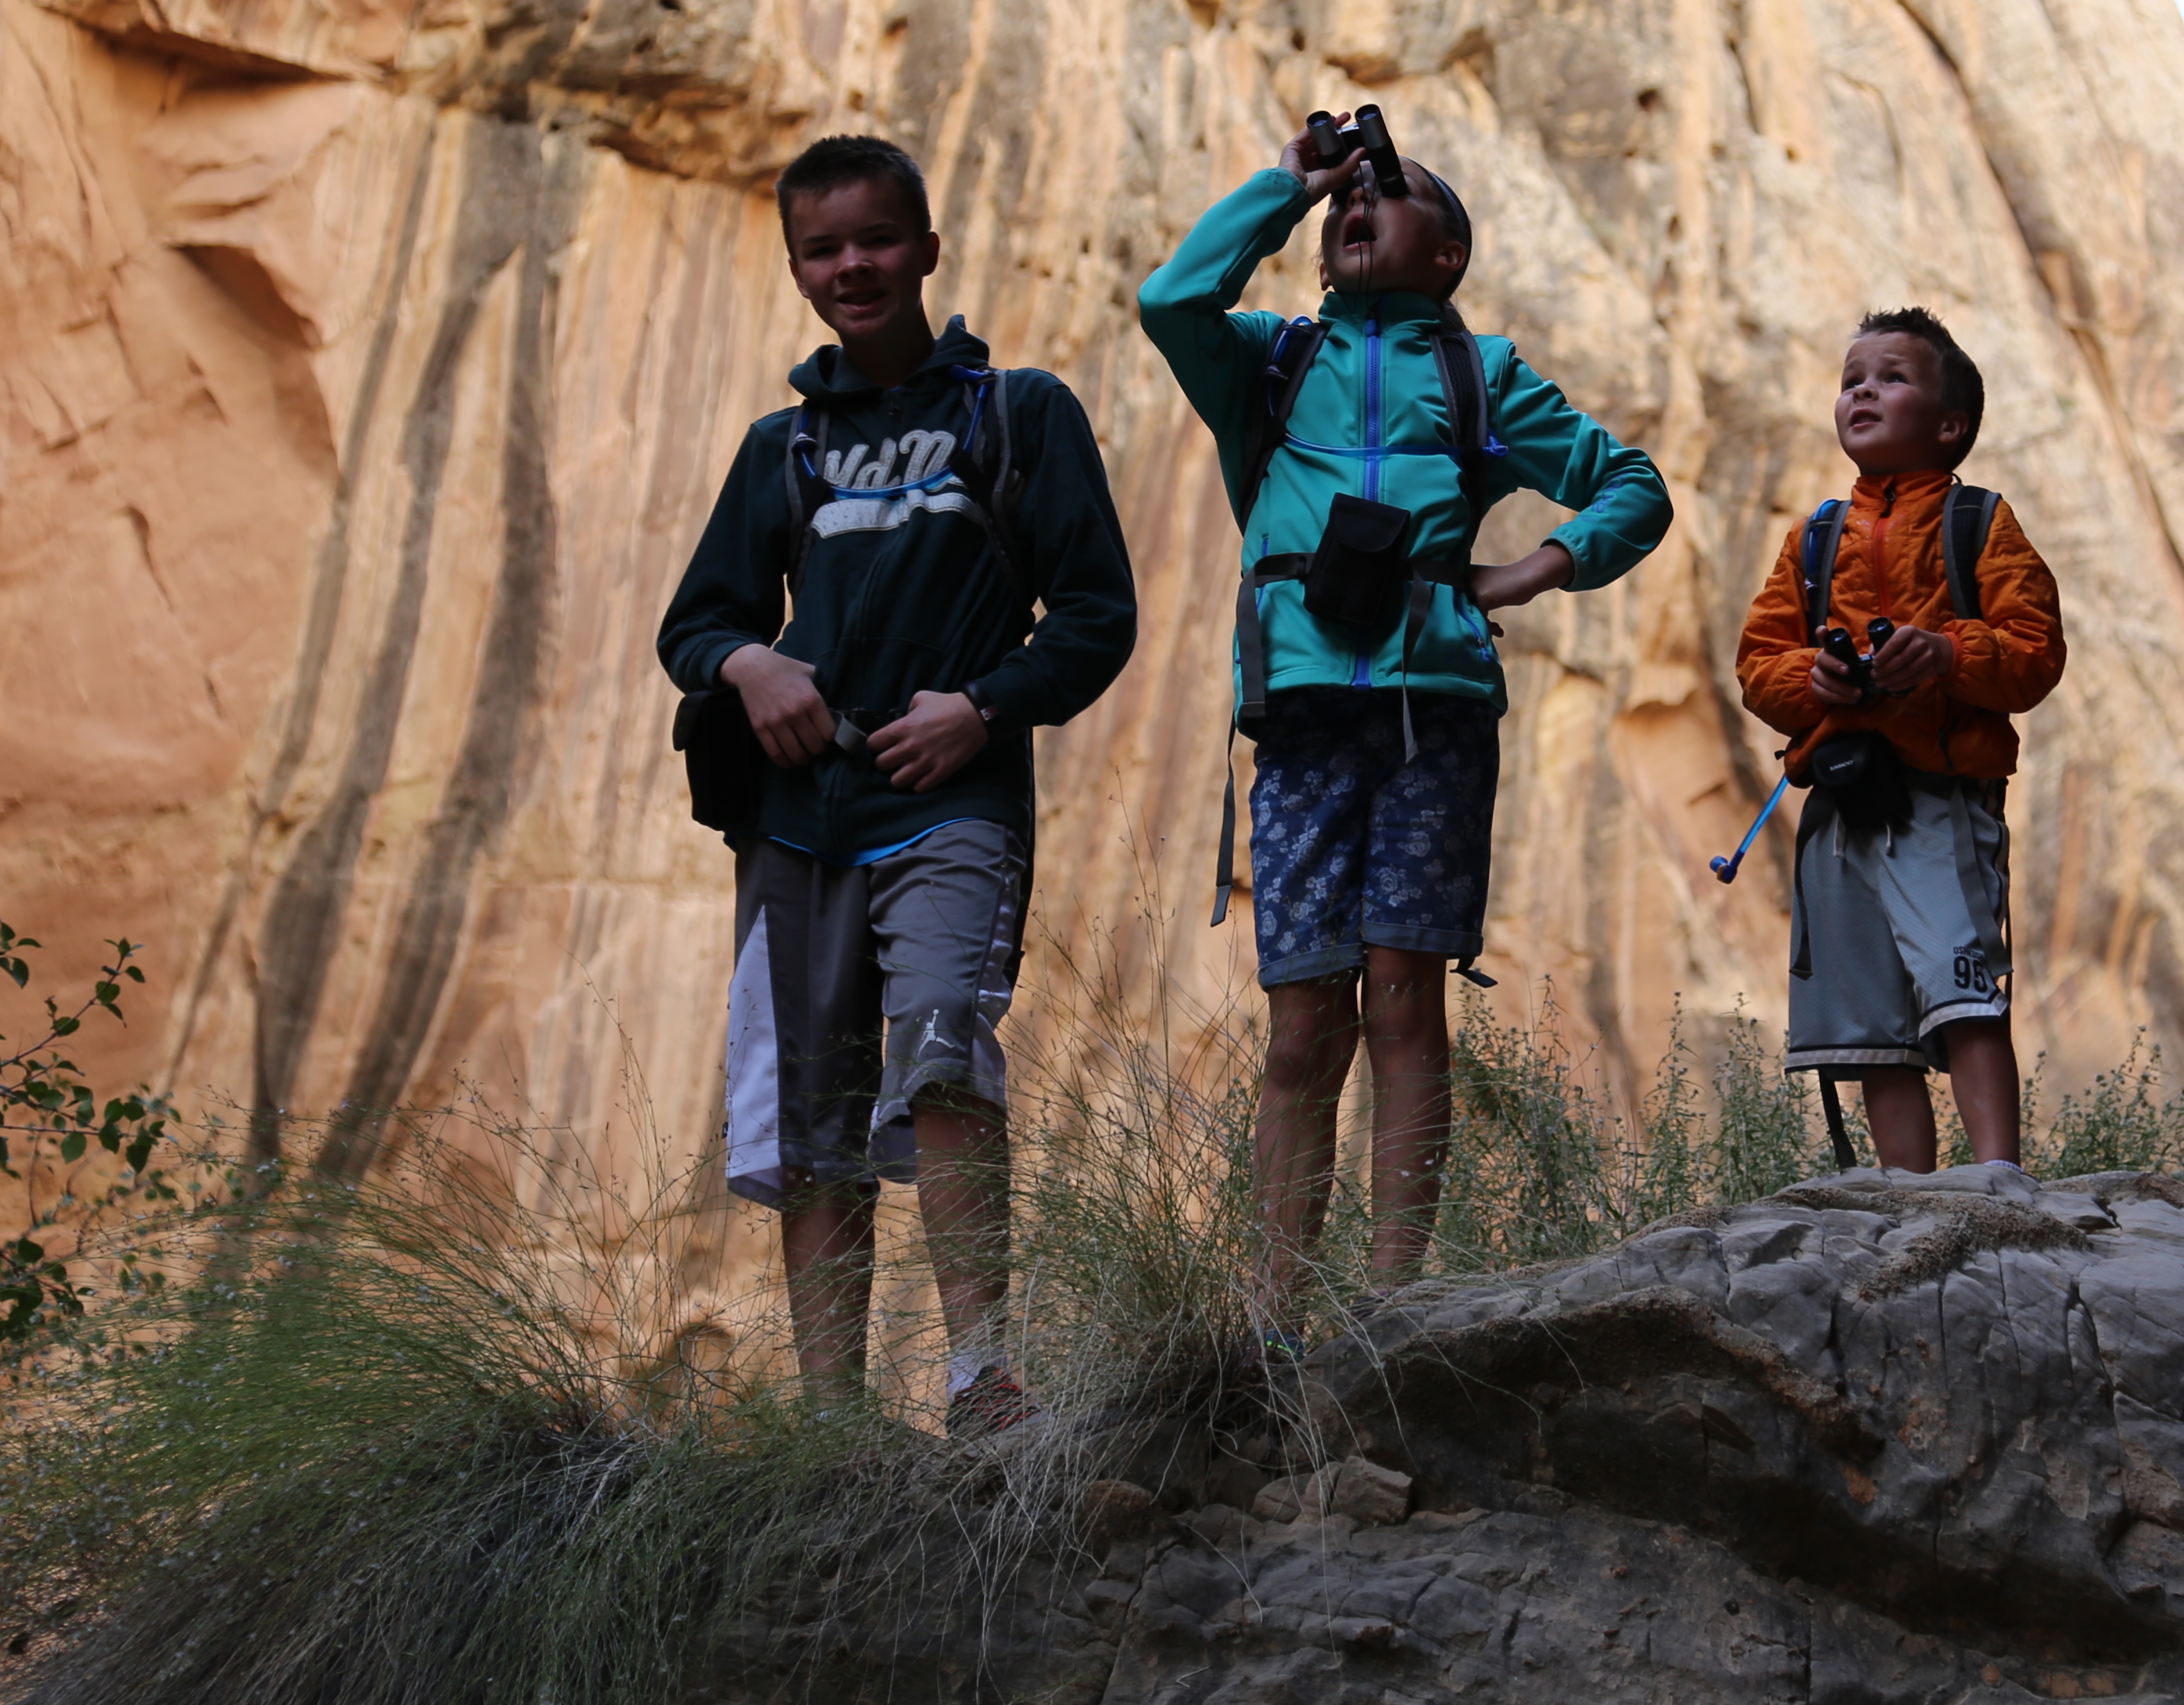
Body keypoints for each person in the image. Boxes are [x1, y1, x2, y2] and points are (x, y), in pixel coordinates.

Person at [1139, 114, 1669, 1295]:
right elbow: (1172, 299)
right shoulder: (1269, 364)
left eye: (1392, 190)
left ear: (1448, 256)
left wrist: (1534, 568)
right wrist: (1288, 182)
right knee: (1300, 1024)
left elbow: (1632, 488)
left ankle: (1389, 1300)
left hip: (1434, 718)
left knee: (1404, 1007)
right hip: (1302, 717)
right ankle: (1278, 1308)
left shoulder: (1479, 375)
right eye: (1342, 201)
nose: (1357, 199)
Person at [659, 134, 1136, 1431]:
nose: (851, 265)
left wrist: (981, 708)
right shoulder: (782, 445)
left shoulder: (1017, 413)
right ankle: (832, 1417)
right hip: (798, 817)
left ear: (926, 246)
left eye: (876, 238)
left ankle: (980, 1374)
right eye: (823, 247)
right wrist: (751, 663)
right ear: (797, 264)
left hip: (949, 801)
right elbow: (694, 624)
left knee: (939, 1053)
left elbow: (1094, 613)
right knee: (811, 1105)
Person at [1733, 307, 2065, 1172]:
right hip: (1842, 801)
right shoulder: (1813, 539)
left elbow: (2033, 654)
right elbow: (1760, 661)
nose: (1863, 392)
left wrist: (1947, 653)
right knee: (1871, 1020)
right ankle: (1904, 1197)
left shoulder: (1980, 525)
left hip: (1938, 801)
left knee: (1961, 990)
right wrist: (1817, 678)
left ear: (1950, 425)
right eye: (1851, 381)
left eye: (1891, 378)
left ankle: (1998, 1175)